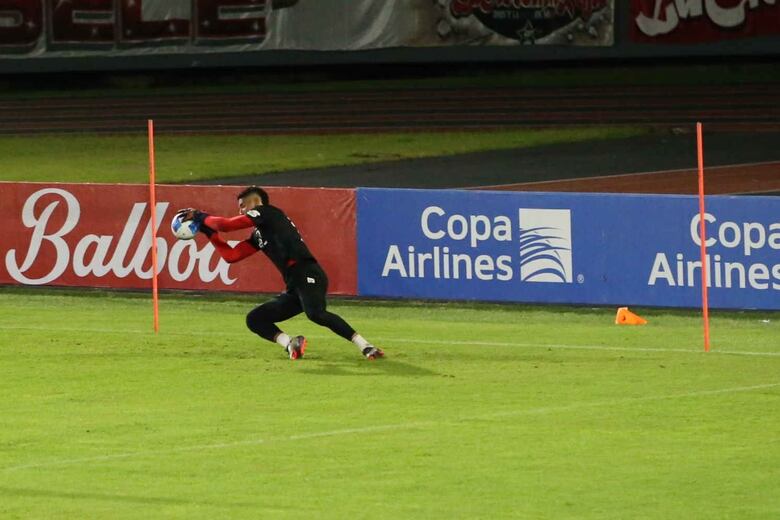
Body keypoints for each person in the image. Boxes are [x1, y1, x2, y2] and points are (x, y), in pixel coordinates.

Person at [177, 186, 384, 361]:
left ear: (255, 202)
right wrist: (209, 233)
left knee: (315, 313)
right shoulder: (259, 234)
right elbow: (231, 256)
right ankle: (291, 344)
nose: (240, 210)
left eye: (242, 205)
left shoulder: (269, 212)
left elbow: (226, 225)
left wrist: (201, 216)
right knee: (255, 319)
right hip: (294, 286)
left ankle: (366, 346)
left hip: (308, 272)